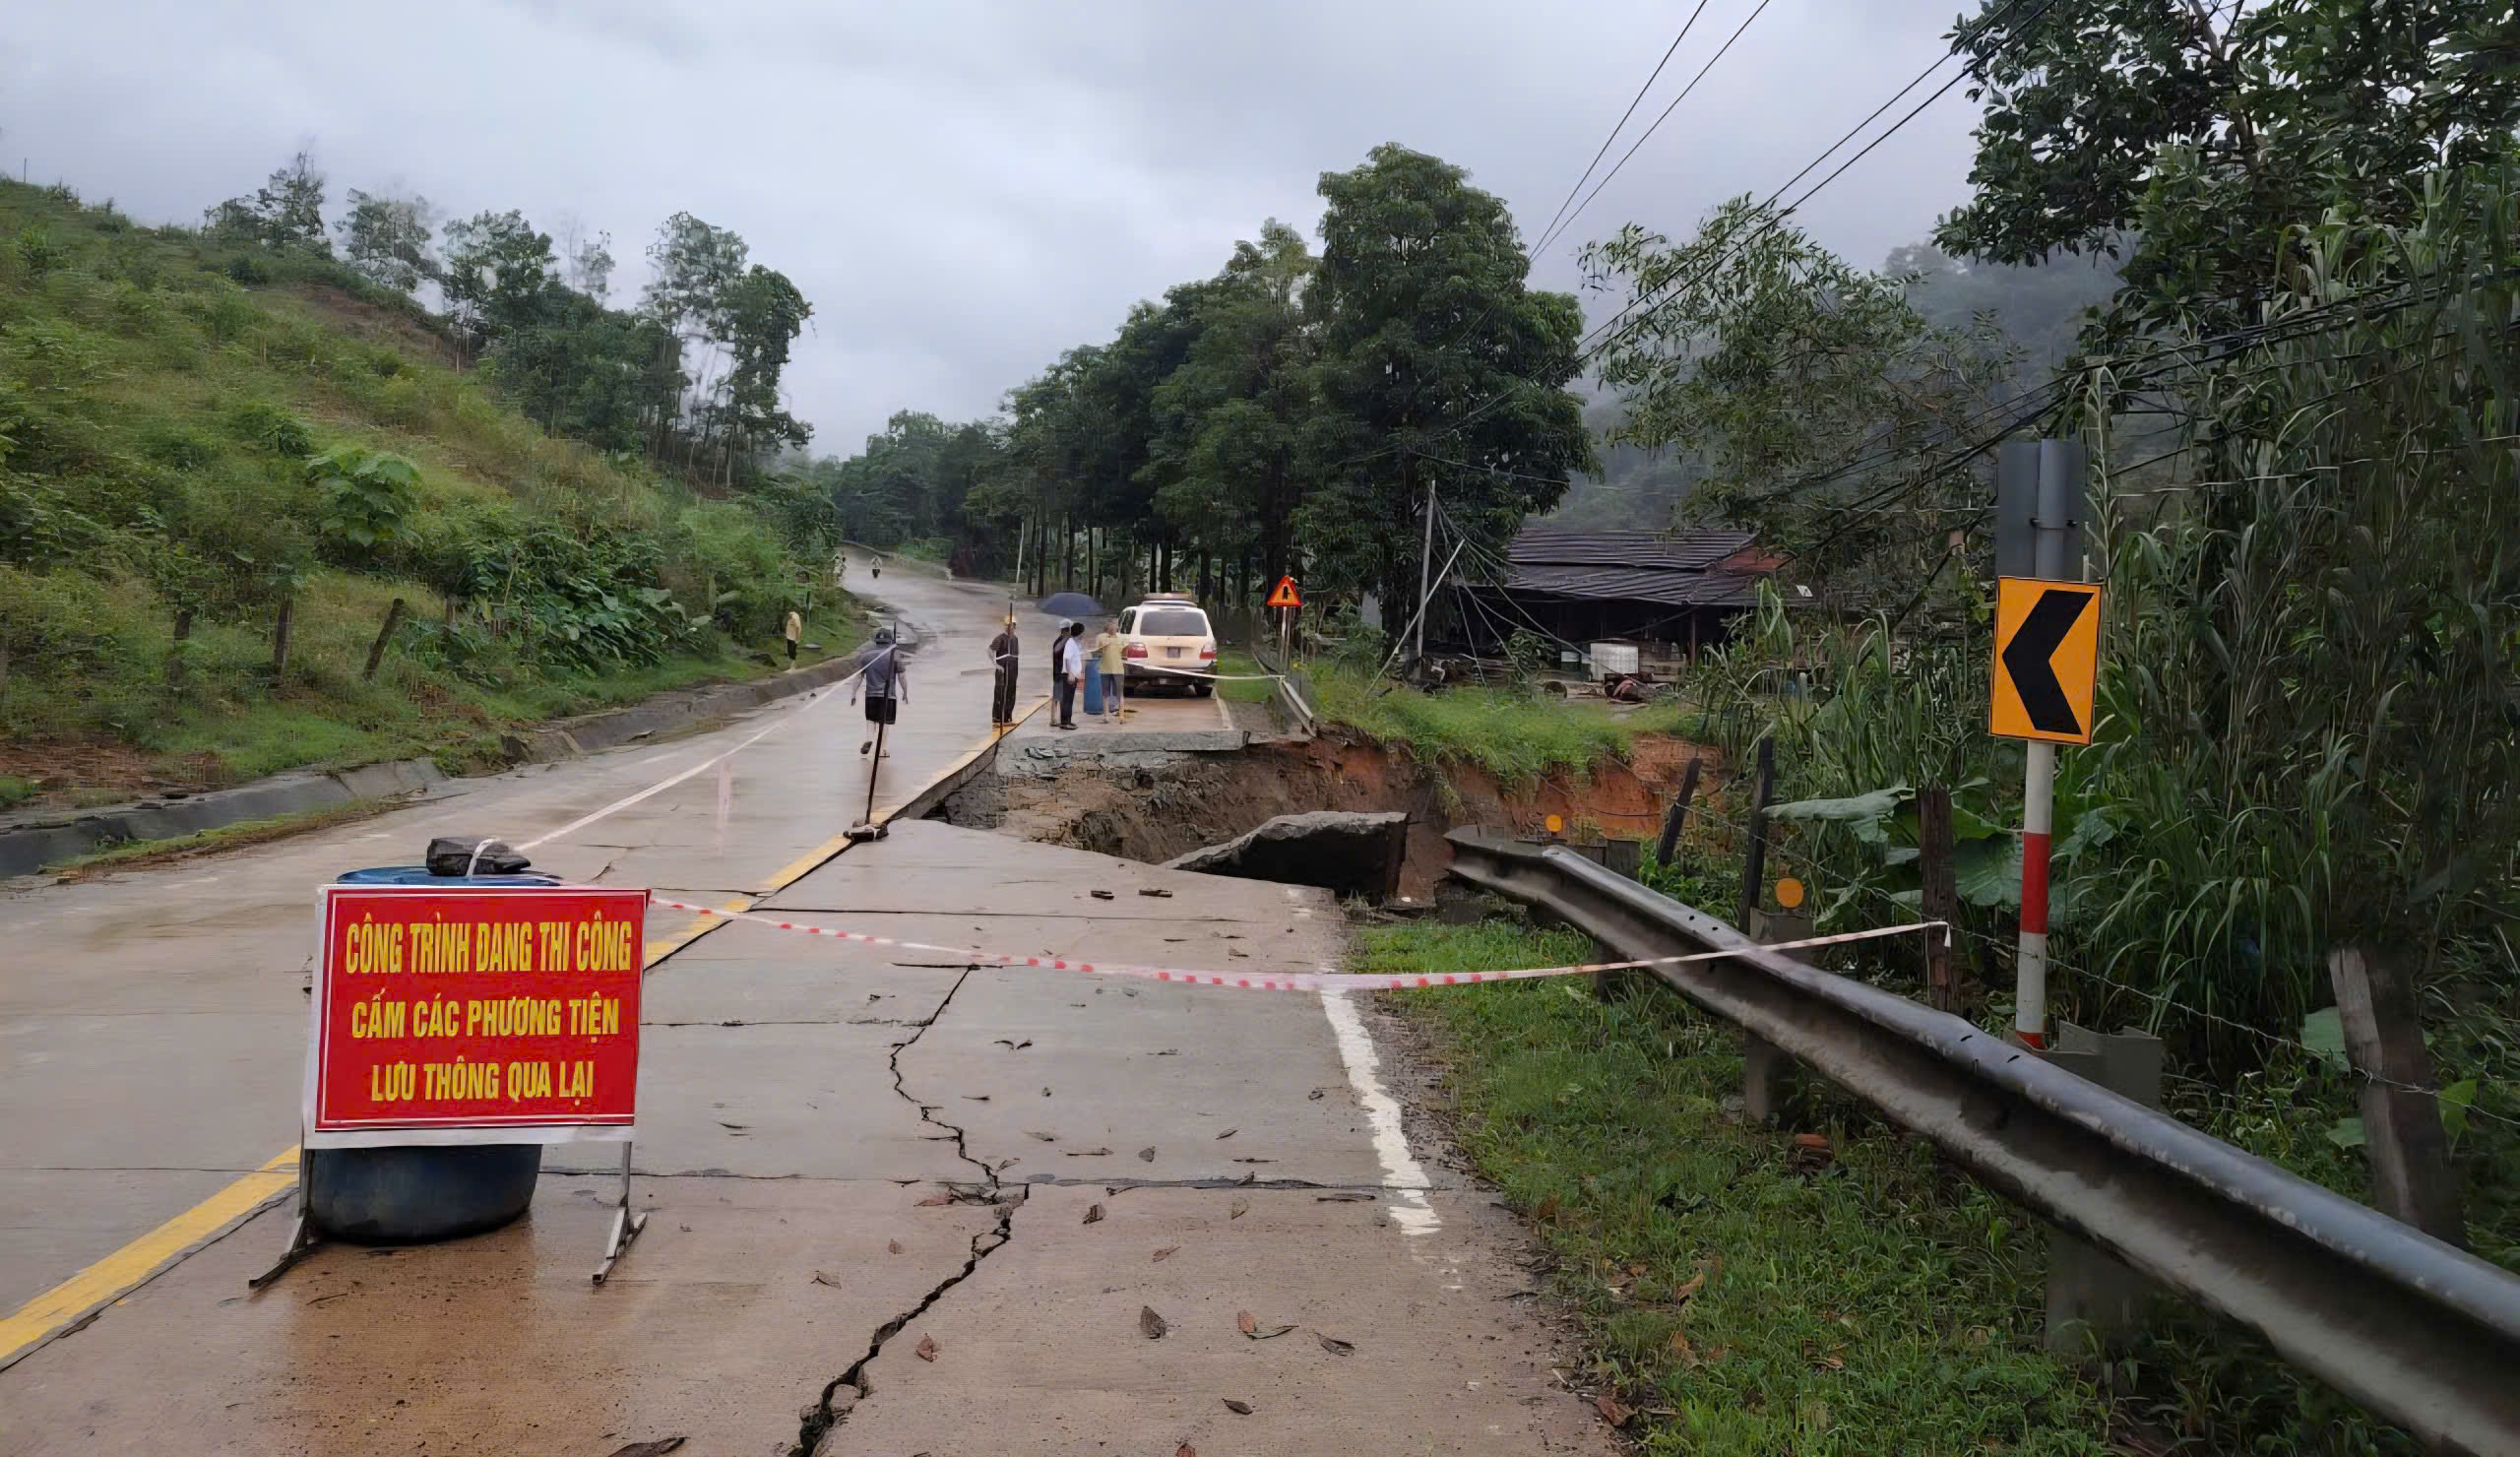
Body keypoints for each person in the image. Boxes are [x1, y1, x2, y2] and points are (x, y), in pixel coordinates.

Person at [849, 628, 906, 757]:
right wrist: (905, 692)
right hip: (888, 695)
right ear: (890, 641)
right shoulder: (894, 655)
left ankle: (869, 739)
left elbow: (858, 677)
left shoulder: (866, 656)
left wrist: (853, 693)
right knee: (884, 723)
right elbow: (902, 676)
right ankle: (882, 750)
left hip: (871, 694)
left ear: (876, 641)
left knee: (870, 720)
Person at [986, 615, 1021, 728]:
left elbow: (1015, 655)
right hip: (1003, 668)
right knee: (1001, 692)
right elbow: (990, 650)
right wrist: (996, 665)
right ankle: (997, 718)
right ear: (1005, 626)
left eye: (1013, 626)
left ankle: (1007, 717)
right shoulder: (1000, 638)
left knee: (1011, 692)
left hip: (1013, 668)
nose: (1011, 628)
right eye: (1009, 626)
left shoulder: (1015, 639)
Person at [1092, 617, 1125, 723]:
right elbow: (1094, 652)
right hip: (1105, 669)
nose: (1114, 627)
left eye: (1115, 625)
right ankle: (1106, 716)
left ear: (1117, 627)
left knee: (1119, 693)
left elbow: (1125, 654)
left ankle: (1121, 716)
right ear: (1107, 626)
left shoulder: (1122, 638)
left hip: (1118, 669)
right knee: (1105, 693)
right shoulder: (1100, 637)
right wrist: (1102, 647)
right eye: (1112, 625)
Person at [1054, 619, 1086, 729]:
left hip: (1073, 675)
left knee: (1070, 699)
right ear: (1079, 632)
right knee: (1066, 699)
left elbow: (1076, 659)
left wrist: (1079, 672)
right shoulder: (1070, 643)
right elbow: (1066, 659)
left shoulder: (1075, 643)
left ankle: (1068, 720)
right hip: (1068, 675)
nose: (1084, 635)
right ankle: (1064, 722)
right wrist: (1070, 674)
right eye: (1083, 632)